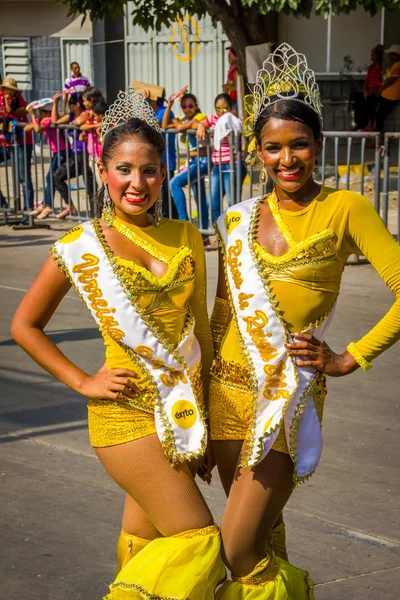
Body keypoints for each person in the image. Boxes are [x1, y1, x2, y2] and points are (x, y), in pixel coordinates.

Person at [11, 87, 225, 599]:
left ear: (162, 173)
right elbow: (25, 325)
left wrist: (208, 425)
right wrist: (82, 380)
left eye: (150, 170)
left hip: (179, 414)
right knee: (201, 543)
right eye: (125, 169)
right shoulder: (80, 246)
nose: (138, 182)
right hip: (124, 417)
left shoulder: (186, 235)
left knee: (143, 548)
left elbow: (203, 334)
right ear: (105, 172)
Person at [208, 42, 400, 597]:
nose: (287, 159)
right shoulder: (236, 220)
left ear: (317, 145)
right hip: (224, 393)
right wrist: (195, 410)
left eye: (299, 145)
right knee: (264, 539)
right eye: (273, 148)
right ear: (256, 151)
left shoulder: (346, 209)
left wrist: (348, 358)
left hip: (286, 397)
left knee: (237, 546)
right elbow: (221, 317)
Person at [162, 92, 209, 232]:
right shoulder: (183, 119)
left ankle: (184, 222)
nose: (187, 109)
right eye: (184, 106)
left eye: (190, 106)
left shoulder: (200, 117)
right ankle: (204, 234)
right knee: (199, 196)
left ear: (196, 106)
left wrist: (180, 124)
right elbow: (164, 126)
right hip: (193, 161)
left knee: (174, 183)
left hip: (203, 161)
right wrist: (169, 106)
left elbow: (190, 125)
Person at [196, 93, 246, 224]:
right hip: (218, 166)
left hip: (232, 165)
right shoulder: (213, 119)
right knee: (212, 201)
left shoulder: (233, 120)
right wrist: (201, 126)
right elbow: (202, 122)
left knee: (232, 202)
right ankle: (218, 232)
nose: (221, 111)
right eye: (218, 108)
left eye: (225, 108)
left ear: (230, 107)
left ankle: (234, 232)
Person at [52, 92, 95, 218]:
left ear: (77, 104)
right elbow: (55, 122)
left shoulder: (85, 113)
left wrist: (71, 123)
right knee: (57, 176)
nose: (69, 106)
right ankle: (70, 206)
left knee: (90, 186)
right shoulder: (70, 115)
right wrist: (56, 103)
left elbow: (78, 122)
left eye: (71, 104)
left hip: (85, 154)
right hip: (75, 155)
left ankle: (95, 215)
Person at [25, 102, 69, 219]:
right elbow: (27, 128)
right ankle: (45, 203)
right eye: (39, 112)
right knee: (50, 178)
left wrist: (33, 116)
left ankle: (48, 205)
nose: (40, 114)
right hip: (56, 152)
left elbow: (38, 129)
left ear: (49, 112)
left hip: (62, 151)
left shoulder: (49, 119)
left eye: (42, 112)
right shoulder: (42, 118)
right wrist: (35, 118)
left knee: (50, 177)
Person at [140, 85, 178, 219]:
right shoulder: (153, 111)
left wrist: (144, 102)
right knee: (162, 194)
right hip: (155, 160)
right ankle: (172, 218)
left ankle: (169, 220)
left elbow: (152, 123)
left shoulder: (163, 112)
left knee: (165, 194)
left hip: (166, 160)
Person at [376, 43, 400, 136]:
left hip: (391, 96)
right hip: (388, 95)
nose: (389, 56)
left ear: (396, 55)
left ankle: (378, 138)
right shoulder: (395, 65)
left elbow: (391, 80)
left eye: (391, 54)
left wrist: (380, 89)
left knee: (379, 116)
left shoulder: (398, 65)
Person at [363, 44, 383, 130]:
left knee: (370, 100)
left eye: (373, 54)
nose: (371, 56)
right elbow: (366, 81)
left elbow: (381, 84)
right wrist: (365, 91)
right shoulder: (371, 67)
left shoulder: (382, 67)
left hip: (377, 92)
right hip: (369, 92)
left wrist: (370, 92)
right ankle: (360, 124)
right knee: (359, 98)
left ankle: (370, 125)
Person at [222, 47, 238, 111]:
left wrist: (228, 86)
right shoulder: (231, 69)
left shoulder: (236, 71)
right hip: (231, 98)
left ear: (234, 58)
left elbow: (237, 87)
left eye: (229, 57)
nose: (227, 59)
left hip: (236, 99)